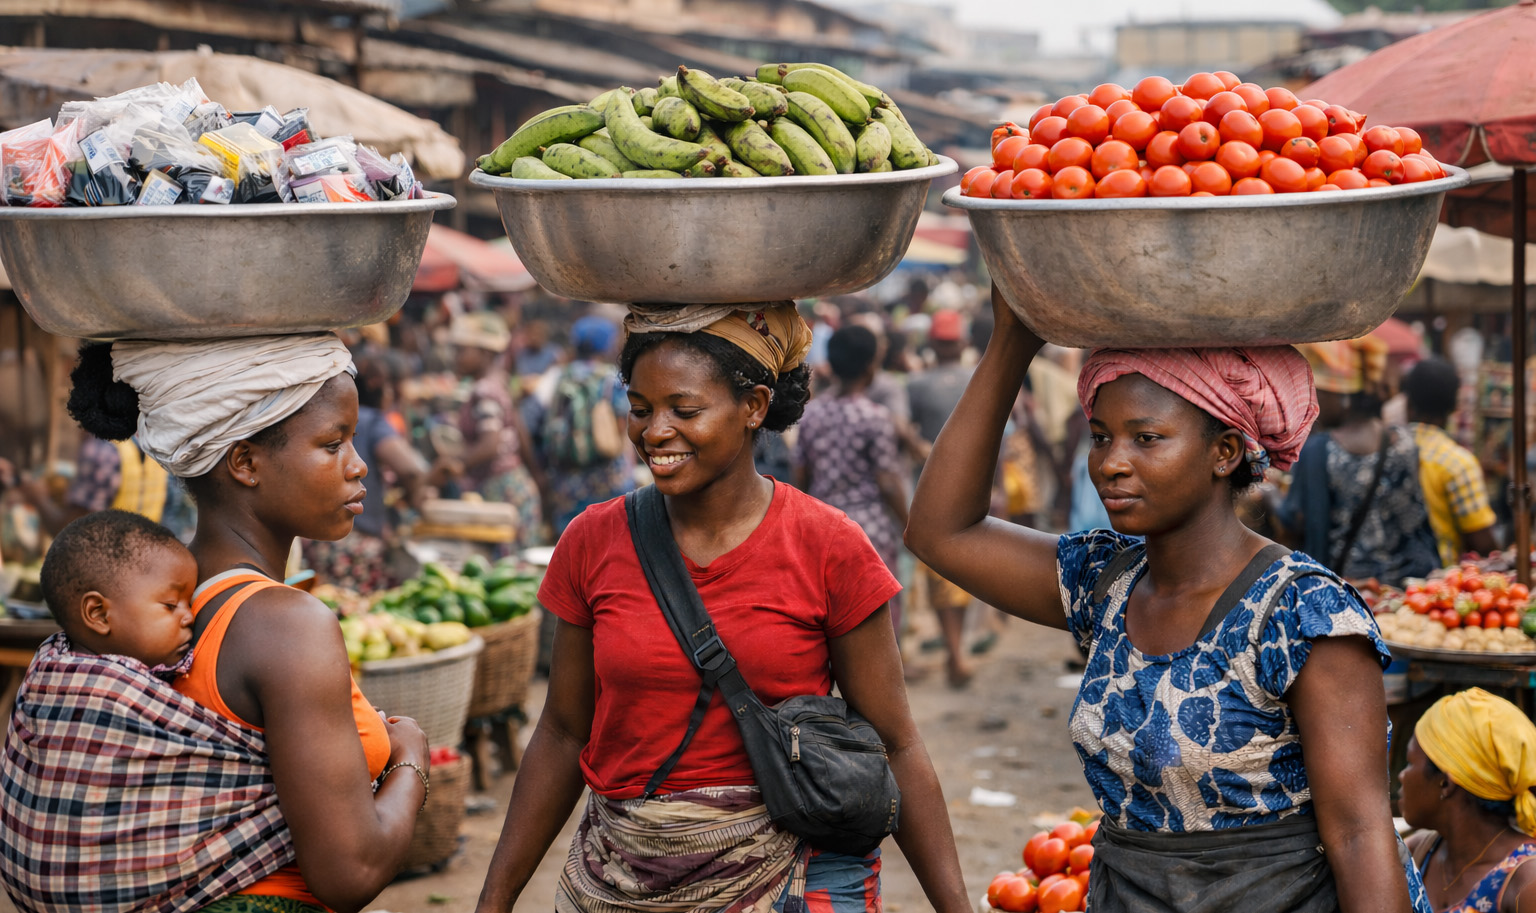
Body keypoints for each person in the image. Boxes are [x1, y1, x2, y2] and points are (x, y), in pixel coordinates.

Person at [906, 286, 1430, 913]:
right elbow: (941, 531)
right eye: (1101, 437)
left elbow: (1360, 835)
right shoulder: (1106, 583)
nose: (1111, 463)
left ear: (1224, 452)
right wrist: (1010, 345)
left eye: (1146, 438)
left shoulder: (1302, 614)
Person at [474, 302, 969, 913]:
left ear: (754, 407)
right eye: (640, 409)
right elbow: (562, 731)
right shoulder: (591, 540)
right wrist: (494, 900)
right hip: (621, 878)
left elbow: (896, 743)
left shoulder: (829, 545)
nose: (654, 432)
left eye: (684, 411)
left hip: (787, 879)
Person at [61, 335, 429, 913]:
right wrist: (412, 760)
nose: (358, 465)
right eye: (332, 444)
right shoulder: (287, 626)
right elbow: (350, 873)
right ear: (245, 463)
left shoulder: (154, 603)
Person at [1279, 338, 1439, 587]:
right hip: (1409, 587)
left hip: (1349, 593)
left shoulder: (1319, 451)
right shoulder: (1405, 442)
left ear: (1343, 396)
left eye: (1319, 393)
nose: (1313, 403)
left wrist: (1267, 497)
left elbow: (1295, 522)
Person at [793, 325, 909, 634]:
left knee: (833, 615)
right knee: (880, 614)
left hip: (823, 528)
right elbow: (887, 481)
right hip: (870, 529)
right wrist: (908, 525)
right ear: (871, 366)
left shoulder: (811, 414)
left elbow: (801, 474)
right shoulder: (875, 416)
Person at [303, 350, 444, 591]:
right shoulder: (373, 421)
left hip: (322, 541)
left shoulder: (327, 419)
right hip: (359, 542)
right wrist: (415, 496)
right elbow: (411, 469)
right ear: (379, 387)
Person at [1400, 689, 1536, 913]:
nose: (1401, 776)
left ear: (1446, 783)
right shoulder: (1418, 853)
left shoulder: (1526, 880)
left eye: (1410, 763)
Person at [907, 309, 977, 686]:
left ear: (932, 344)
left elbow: (907, 436)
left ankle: (954, 649)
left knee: (940, 571)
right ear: (962, 343)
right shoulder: (975, 379)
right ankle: (956, 649)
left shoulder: (917, 384)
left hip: (929, 489)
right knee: (963, 571)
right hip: (973, 489)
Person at [36, 509, 194, 668]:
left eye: (190, 604)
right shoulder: (121, 683)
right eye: (170, 605)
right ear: (100, 614)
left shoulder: (46, 663)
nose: (190, 617)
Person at [450, 310, 546, 548]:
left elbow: (490, 445)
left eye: (463, 351)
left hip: (501, 490)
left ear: (484, 353)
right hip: (516, 484)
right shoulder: (500, 381)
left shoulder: (484, 390)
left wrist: (453, 465)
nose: (457, 357)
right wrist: (535, 474)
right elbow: (519, 430)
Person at [537, 314, 633, 536]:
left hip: (566, 479)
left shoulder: (559, 375)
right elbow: (623, 423)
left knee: (573, 537)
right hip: (607, 477)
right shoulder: (612, 379)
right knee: (609, 535)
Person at [1403, 359, 1498, 564]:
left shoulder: (1381, 450)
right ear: (1454, 406)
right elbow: (1482, 542)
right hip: (1437, 576)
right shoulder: (1457, 462)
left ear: (1408, 402)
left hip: (1375, 578)